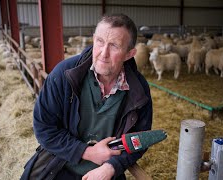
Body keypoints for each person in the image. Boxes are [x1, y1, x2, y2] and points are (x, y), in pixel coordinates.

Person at [22, 13, 153, 180]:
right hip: (59, 167)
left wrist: (113, 167)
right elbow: (43, 127)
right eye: (99, 42)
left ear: (129, 54)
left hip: (106, 175)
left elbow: (138, 141)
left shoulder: (139, 91)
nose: (103, 53)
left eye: (114, 46)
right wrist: (88, 152)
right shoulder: (64, 75)